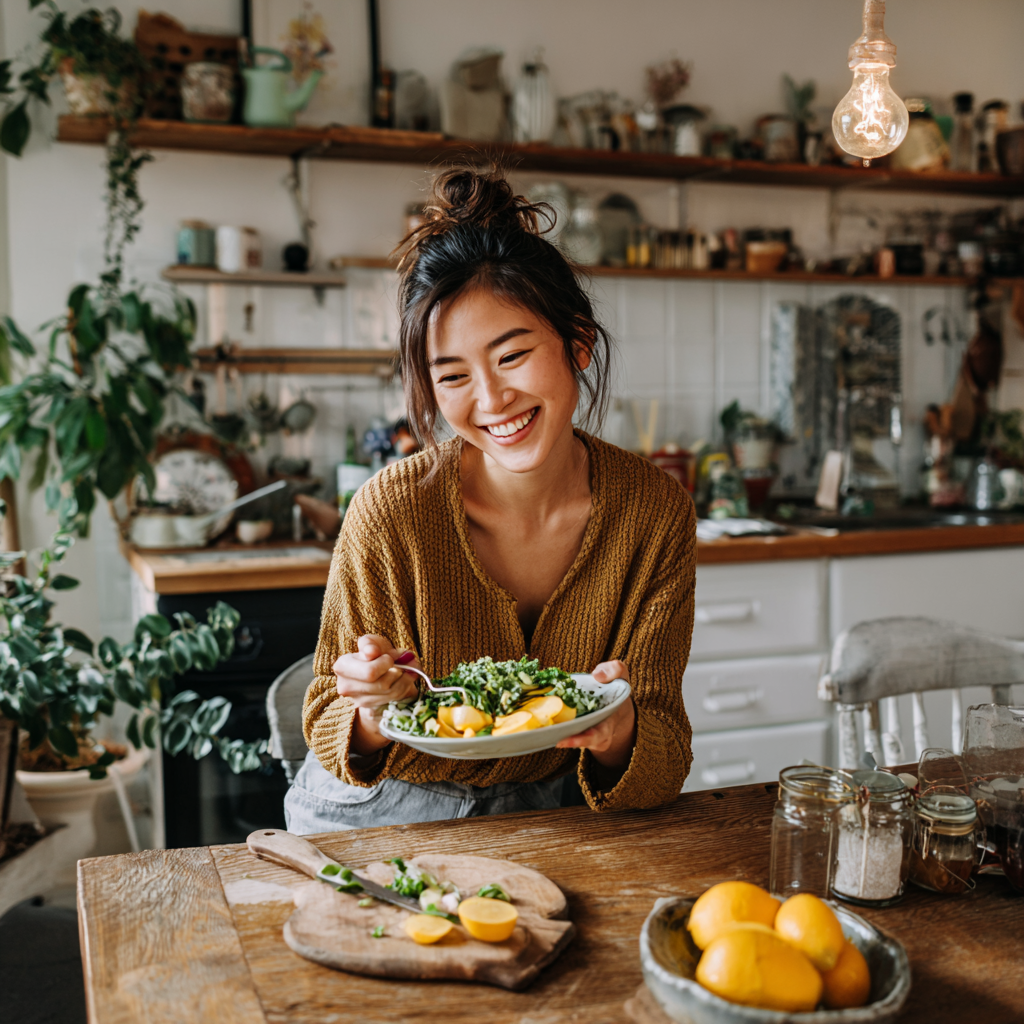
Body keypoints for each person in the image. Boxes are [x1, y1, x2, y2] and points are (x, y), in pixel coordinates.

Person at [285, 168, 695, 833]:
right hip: (380, 809)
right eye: (452, 376)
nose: (490, 400)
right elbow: (329, 725)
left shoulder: (652, 513)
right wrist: (371, 705)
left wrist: (618, 731)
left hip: (562, 808)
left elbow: (663, 757)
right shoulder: (390, 514)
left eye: (511, 357)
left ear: (578, 343)